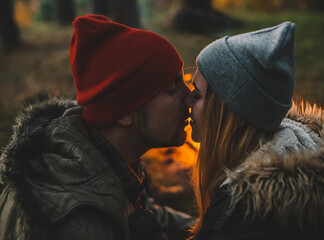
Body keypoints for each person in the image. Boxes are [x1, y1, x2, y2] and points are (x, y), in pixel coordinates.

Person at [0, 15, 195, 240]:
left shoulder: (105, 162)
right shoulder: (76, 226)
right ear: (124, 112)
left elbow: (144, 213)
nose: (189, 98)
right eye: (172, 89)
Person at [185, 22, 324, 239]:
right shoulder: (307, 152)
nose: (187, 101)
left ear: (233, 113)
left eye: (197, 94)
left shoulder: (245, 218)